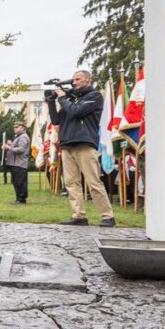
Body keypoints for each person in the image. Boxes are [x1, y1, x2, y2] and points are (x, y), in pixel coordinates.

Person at [47, 70, 116, 227]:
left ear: (88, 80)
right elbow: (56, 120)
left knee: (93, 182)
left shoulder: (94, 96)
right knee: (71, 183)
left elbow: (77, 111)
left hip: (84, 143)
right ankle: (79, 215)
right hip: (67, 144)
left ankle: (107, 216)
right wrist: (51, 102)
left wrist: (63, 98)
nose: (75, 82)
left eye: (78, 79)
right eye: (73, 79)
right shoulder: (70, 99)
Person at [3, 122, 31, 205]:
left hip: (20, 163)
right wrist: (7, 148)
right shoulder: (19, 137)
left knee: (20, 182)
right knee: (16, 182)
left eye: (17, 127)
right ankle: (19, 199)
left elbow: (21, 149)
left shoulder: (23, 137)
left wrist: (9, 147)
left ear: (23, 128)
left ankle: (21, 199)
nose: (15, 128)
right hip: (16, 163)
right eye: (14, 127)